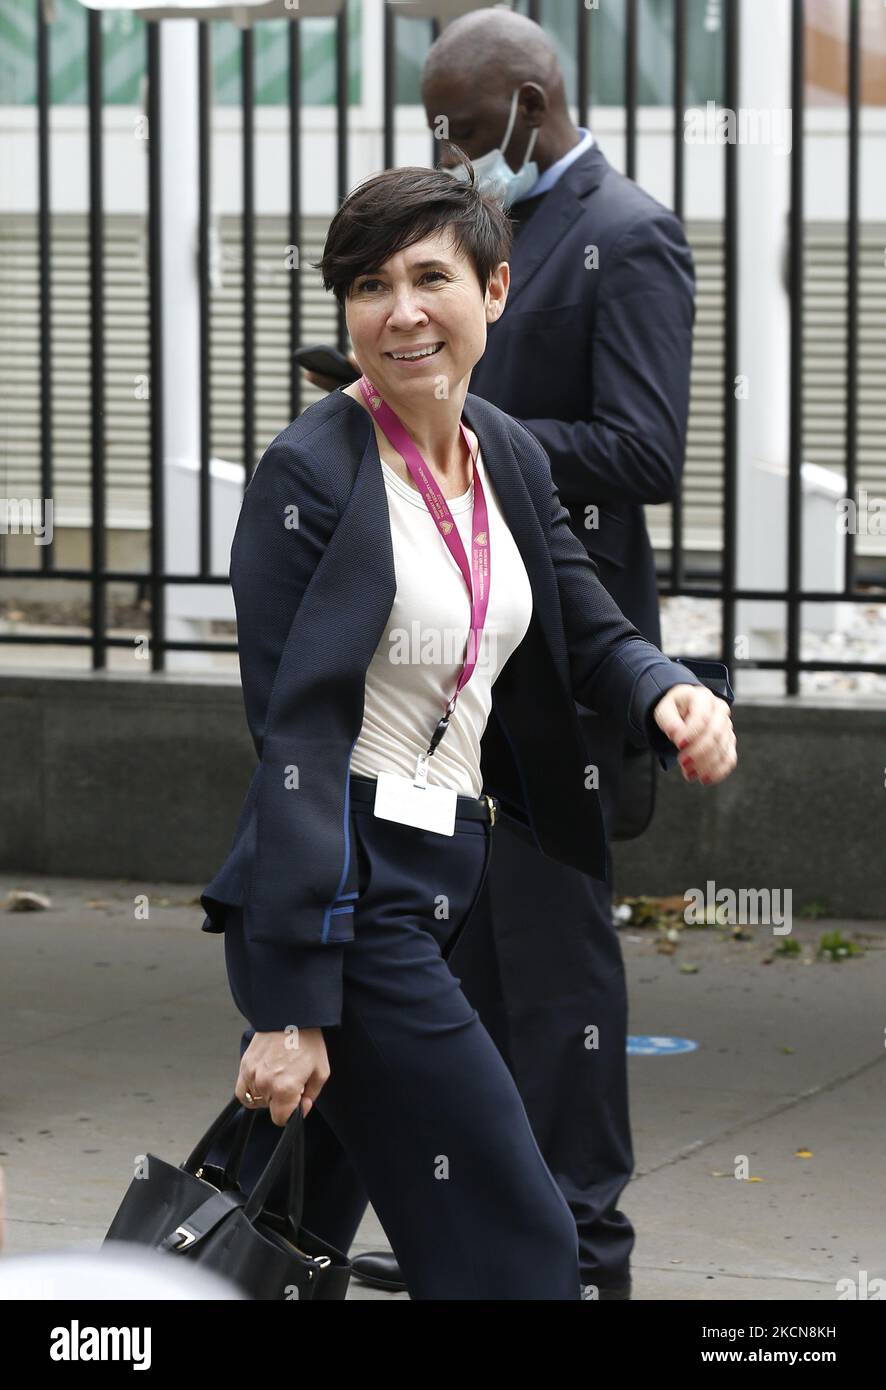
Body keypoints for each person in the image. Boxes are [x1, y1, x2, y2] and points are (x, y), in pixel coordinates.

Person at [198, 152, 736, 1301]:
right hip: (351, 894)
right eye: (367, 286)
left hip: (454, 877)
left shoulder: (505, 450)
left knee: (273, 1234)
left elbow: (588, 630)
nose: (398, 313)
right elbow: (291, 747)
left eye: (429, 277)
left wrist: (664, 691)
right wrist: (291, 1004)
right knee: (517, 1245)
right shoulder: (311, 472)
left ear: (493, 291)